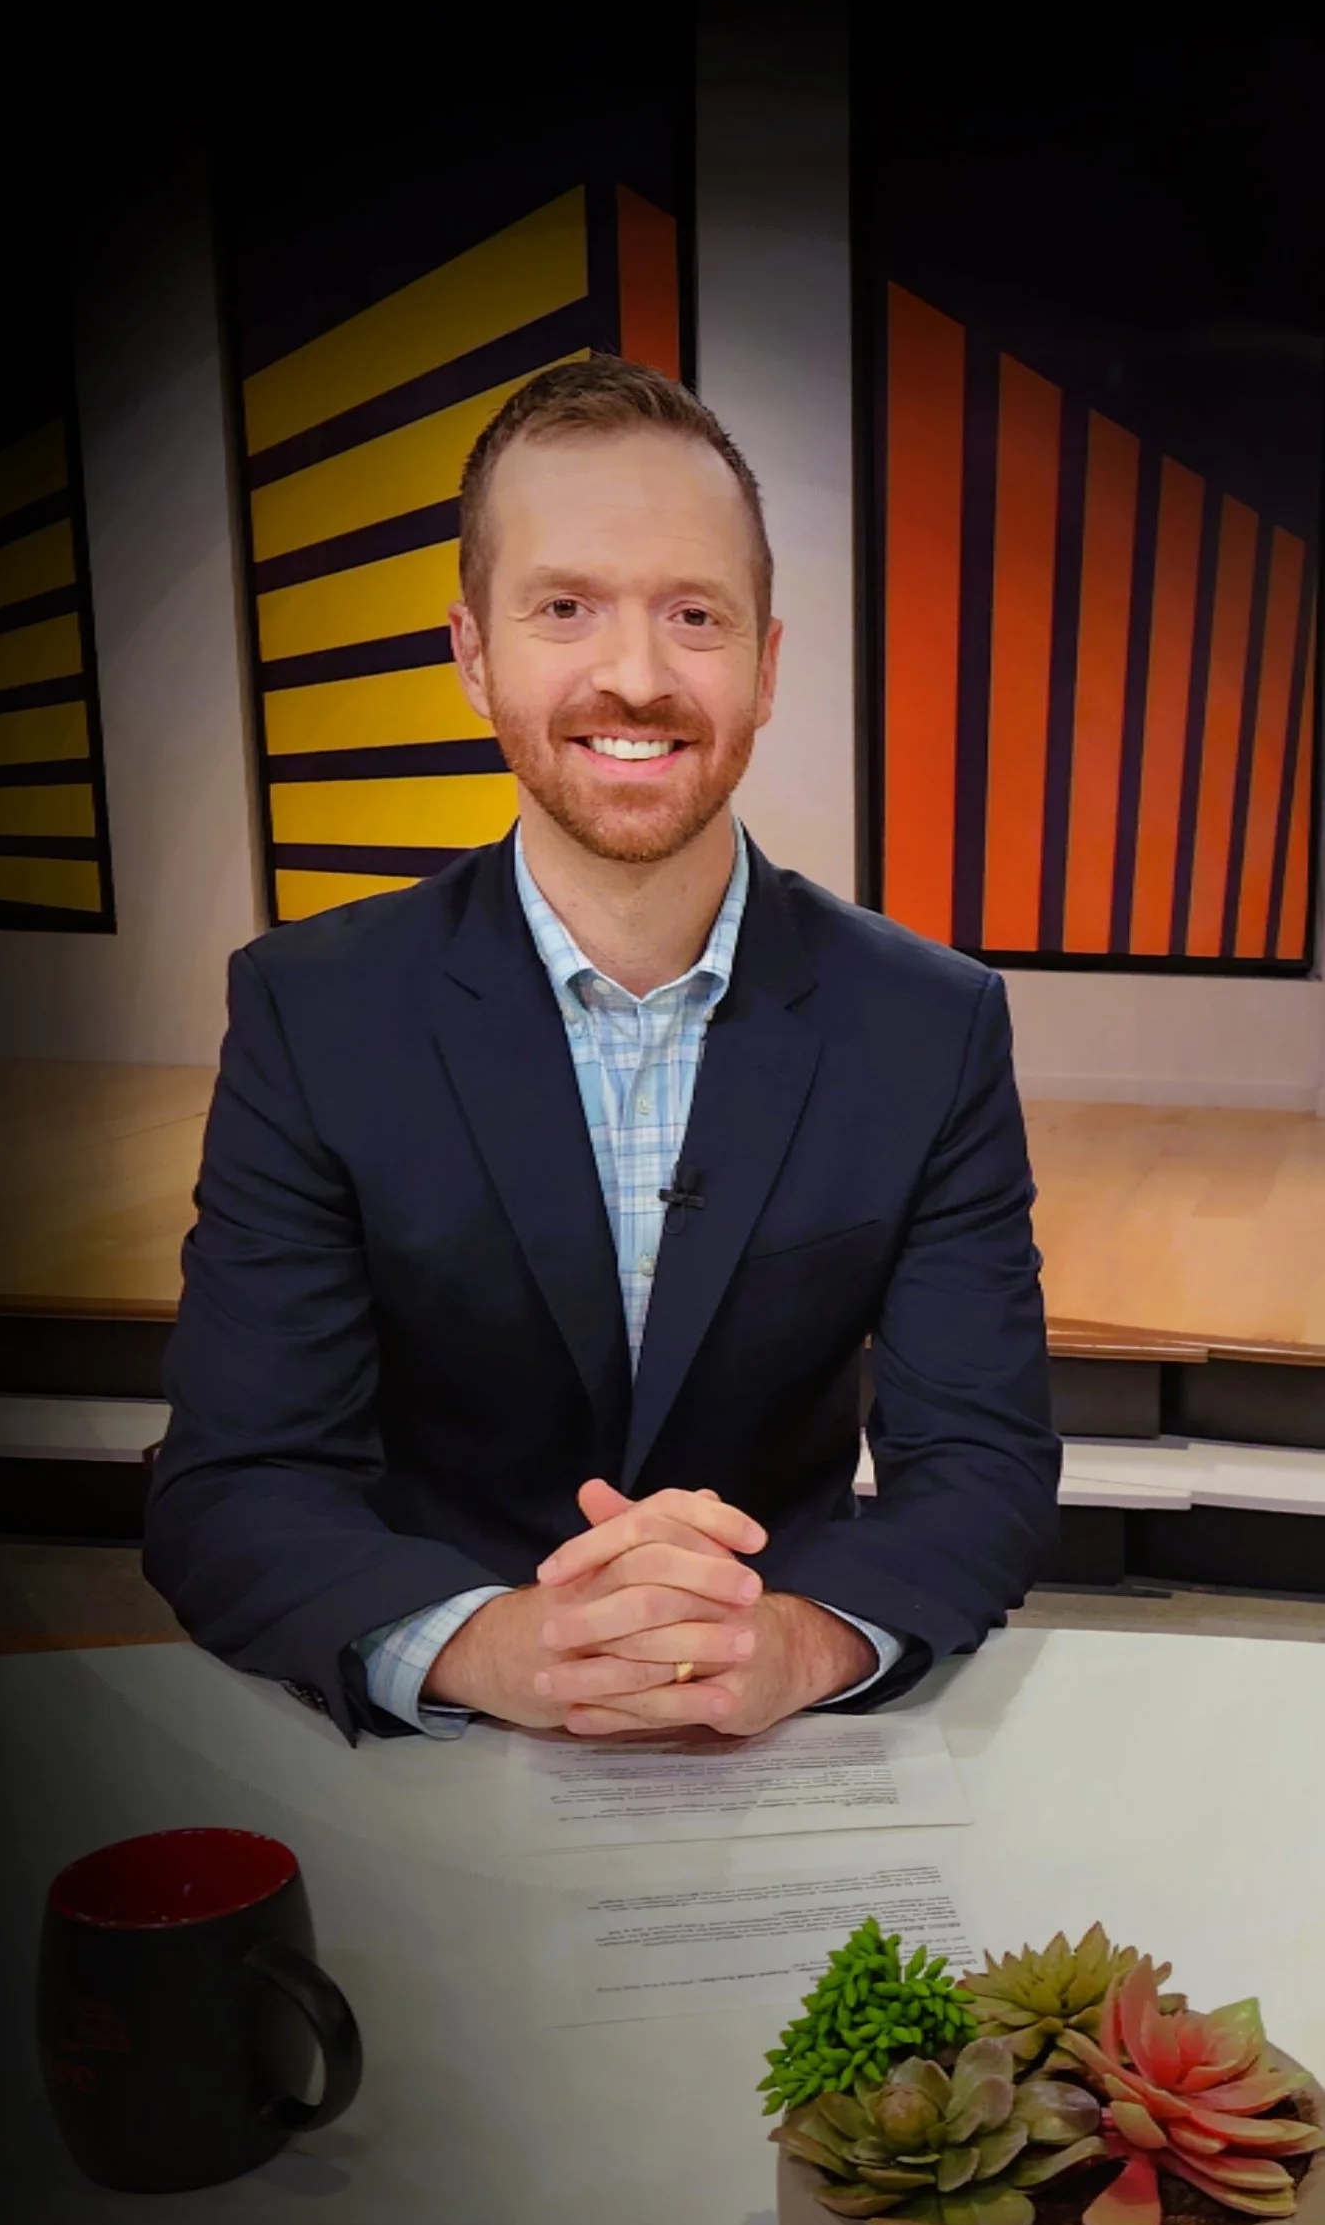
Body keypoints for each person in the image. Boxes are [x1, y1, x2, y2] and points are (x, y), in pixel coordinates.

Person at [143, 356, 1060, 1745]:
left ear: (763, 666)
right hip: (437, 1743)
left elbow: (981, 1468)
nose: (633, 677)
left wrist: (797, 1640)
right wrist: (499, 1646)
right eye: (564, 608)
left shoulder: (928, 1025)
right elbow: (234, 1483)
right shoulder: (309, 1011)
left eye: (693, 615)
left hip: (776, 1736)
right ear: (472, 653)